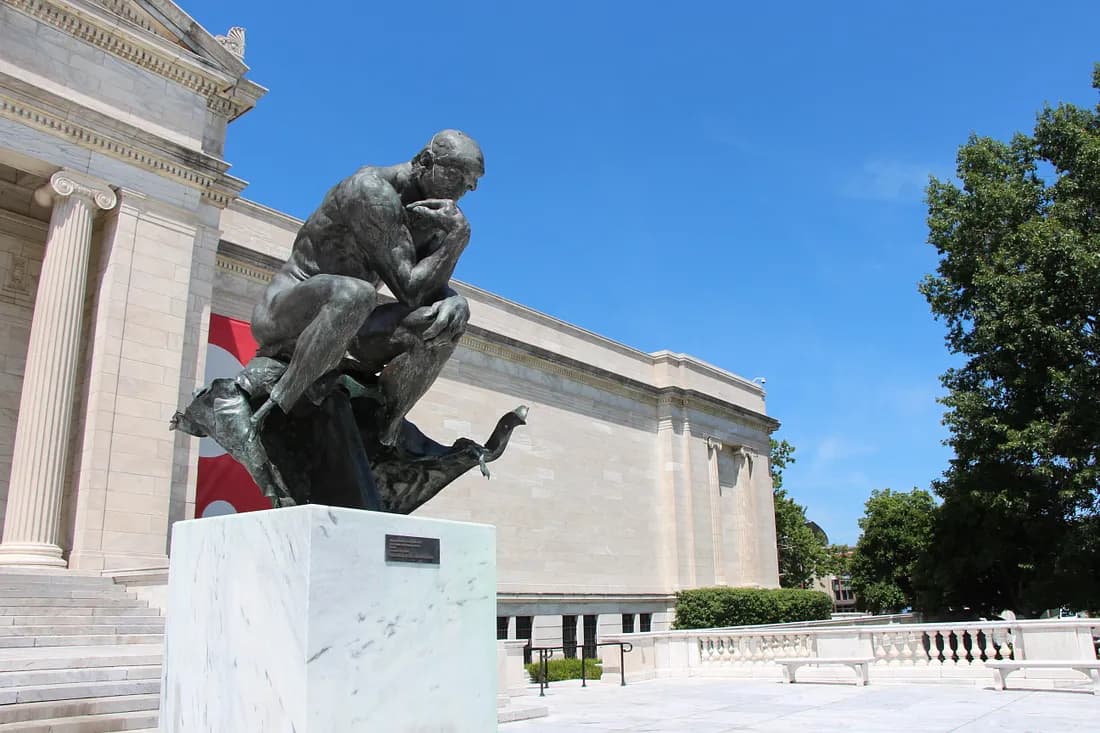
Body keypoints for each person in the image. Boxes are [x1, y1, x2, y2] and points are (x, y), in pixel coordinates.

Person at [248, 130, 484, 446]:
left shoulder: (433, 216)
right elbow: (410, 290)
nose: (465, 188)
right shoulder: (370, 190)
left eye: (472, 181)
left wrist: (454, 301)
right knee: (357, 293)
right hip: (286, 311)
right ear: (425, 162)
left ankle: (383, 431)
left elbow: (427, 290)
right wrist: (458, 238)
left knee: (444, 320)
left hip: (349, 322)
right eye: (457, 174)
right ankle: (281, 405)